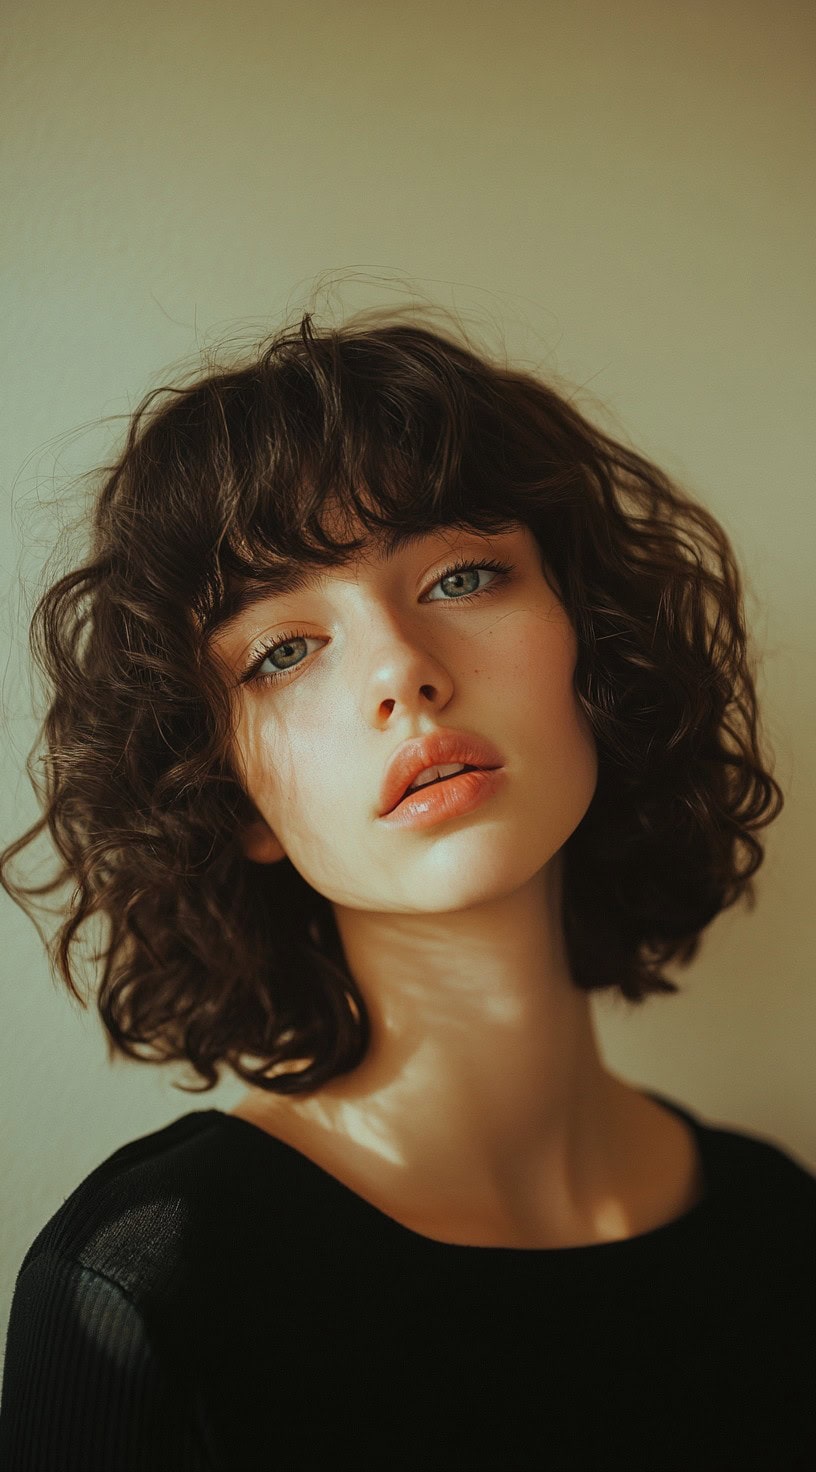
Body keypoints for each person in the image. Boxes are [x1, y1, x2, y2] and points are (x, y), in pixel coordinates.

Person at [0, 308, 813, 1471]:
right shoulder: (148, 1283)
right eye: (281, 650)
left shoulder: (783, 1233)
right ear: (229, 795)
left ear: (595, 642)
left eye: (463, 575)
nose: (402, 671)